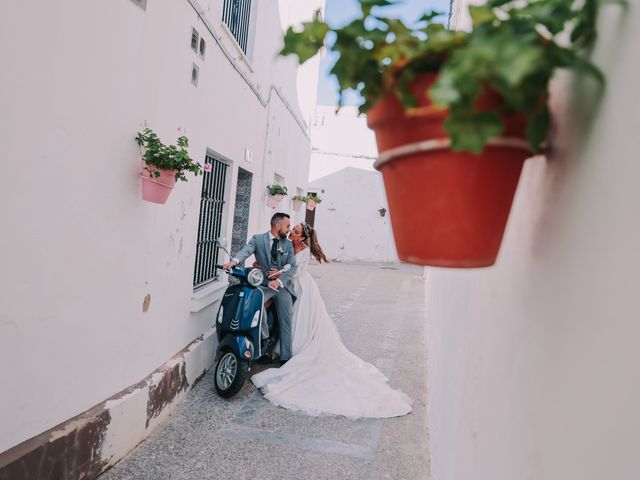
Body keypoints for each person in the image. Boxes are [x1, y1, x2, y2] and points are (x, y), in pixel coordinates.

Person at [251, 222, 412, 419]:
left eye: (296, 231)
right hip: (284, 285)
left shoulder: (304, 250)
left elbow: (296, 272)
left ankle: (295, 350)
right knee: (282, 315)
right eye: (293, 228)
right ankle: (273, 343)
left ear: (302, 237)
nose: (292, 231)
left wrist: (279, 275)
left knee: (300, 319)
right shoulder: (286, 244)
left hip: (301, 287)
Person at [223, 213, 297, 364]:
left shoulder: (288, 244)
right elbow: (247, 250)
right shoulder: (258, 239)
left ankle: (285, 357)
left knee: (286, 319)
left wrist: (279, 281)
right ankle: (264, 338)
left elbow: (293, 266)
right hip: (263, 284)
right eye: (287, 226)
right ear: (278, 226)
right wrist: (234, 261)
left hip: (281, 287)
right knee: (256, 305)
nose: (289, 230)